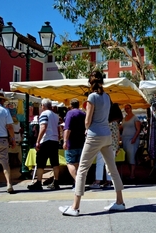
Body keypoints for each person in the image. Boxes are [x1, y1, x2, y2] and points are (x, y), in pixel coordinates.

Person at [58, 71, 125, 216]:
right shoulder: (107, 97)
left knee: (82, 169)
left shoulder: (91, 97)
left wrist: (86, 128)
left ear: (90, 83)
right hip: (107, 135)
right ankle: (120, 202)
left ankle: (75, 207)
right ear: (102, 81)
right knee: (112, 168)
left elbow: (87, 121)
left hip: (94, 135)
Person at [27, 98, 60, 190]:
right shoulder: (55, 116)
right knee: (55, 162)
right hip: (54, 140)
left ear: (43, 106)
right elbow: (58, 129)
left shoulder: (44, 114)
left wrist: (38, 141)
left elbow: (43, 127)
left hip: (46, 140)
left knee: (40, 163)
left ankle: (39, 182)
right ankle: (56, 181)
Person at [63, 98, 86, 190]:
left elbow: (67, 128)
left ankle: (78, 181)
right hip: (82, 141)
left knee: (69, 162)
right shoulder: (83, 114)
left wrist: (65, 141)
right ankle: (76, 183)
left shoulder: (70, 113)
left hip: (71, 141)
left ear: (71, 105)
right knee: (78, 163)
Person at [90, 121, 120, 189]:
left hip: (103, 145)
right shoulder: (115, 123)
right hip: (113, 145)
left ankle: (98, 181)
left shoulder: (103, 121)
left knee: (100, 163)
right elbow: (118, 134)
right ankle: (109, 181)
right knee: (110, 164)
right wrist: (117, 145)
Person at [120, 104, 141, 179]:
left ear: (131, 108)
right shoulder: (124, 118)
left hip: (132, 139)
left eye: (128, 108)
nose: (126, 109)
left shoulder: (135, 118)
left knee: (131, 156)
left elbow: (138, 130)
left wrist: (134, 138)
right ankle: (130, 172)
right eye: (125, 108)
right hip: (124, 139)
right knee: (128, 157)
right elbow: (121, 127)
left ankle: (132, 174)